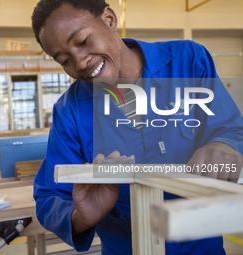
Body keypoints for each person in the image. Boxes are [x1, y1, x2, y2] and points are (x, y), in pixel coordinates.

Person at [31, 0, 243, 254]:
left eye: (84, 41)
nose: (80, 63)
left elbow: (229, 129)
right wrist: (81, 217)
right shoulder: (71, 111)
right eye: (64, 60)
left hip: (202, 247)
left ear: (109, 19)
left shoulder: (187, 62)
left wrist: (223, 146)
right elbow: (48, 197)